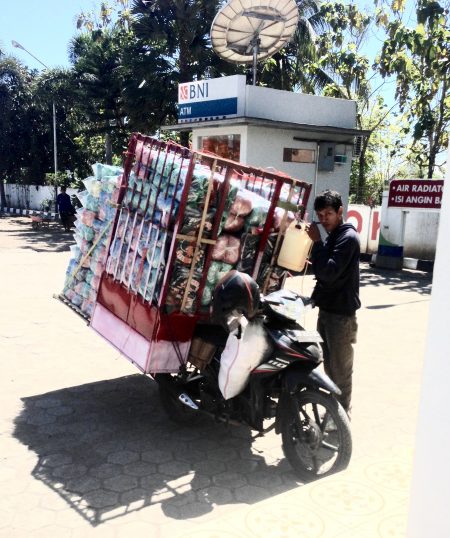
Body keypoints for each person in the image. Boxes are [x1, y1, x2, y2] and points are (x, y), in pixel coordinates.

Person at [306, 190, 360, 416]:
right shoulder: (335, 236)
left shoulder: (347, 238)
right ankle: (335, 413)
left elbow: (328, 272)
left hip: (341, 317)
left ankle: (342, 416)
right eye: (320, 214)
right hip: (328, 313)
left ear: (340, 212)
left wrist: (317, 243)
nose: (324, 218)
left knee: (340, 370)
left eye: (329, 213)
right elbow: (324, 276)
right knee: (329, 368)